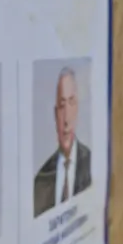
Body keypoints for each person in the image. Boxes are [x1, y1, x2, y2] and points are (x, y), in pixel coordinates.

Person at [33, 66, 93, 218]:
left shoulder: (92, 164)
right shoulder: (41, 180)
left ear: (78, 108)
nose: (66, 119)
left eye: (71, 103)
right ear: (55, 114)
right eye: (61, 106)